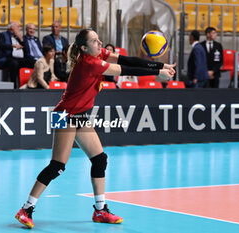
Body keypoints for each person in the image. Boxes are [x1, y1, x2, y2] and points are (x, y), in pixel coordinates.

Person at [14, 29, 175, 229]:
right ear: (84, 47)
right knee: (57, 165)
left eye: (99, 39)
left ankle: (100, 210)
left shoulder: (98, 54)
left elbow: (128, 60)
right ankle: (26, 209)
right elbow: (123, 70)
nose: (100, 43)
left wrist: (162, 65)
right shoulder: (91, 64)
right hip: (64, 115)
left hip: (79, 115)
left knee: (100, 159)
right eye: (94, 41)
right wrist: (158, 73)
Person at [0, 21, 35, 89]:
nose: (20, 29)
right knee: (14, 63)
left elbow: (26, 50)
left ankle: (33, 84)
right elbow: (0, 45)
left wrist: (21, 39)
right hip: (6, 58)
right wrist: (12, 46)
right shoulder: (2, 35)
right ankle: (15, 86)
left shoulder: (18, 37)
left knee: (34, 62)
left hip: (18, 58)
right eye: (18, 27)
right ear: (12, 27)